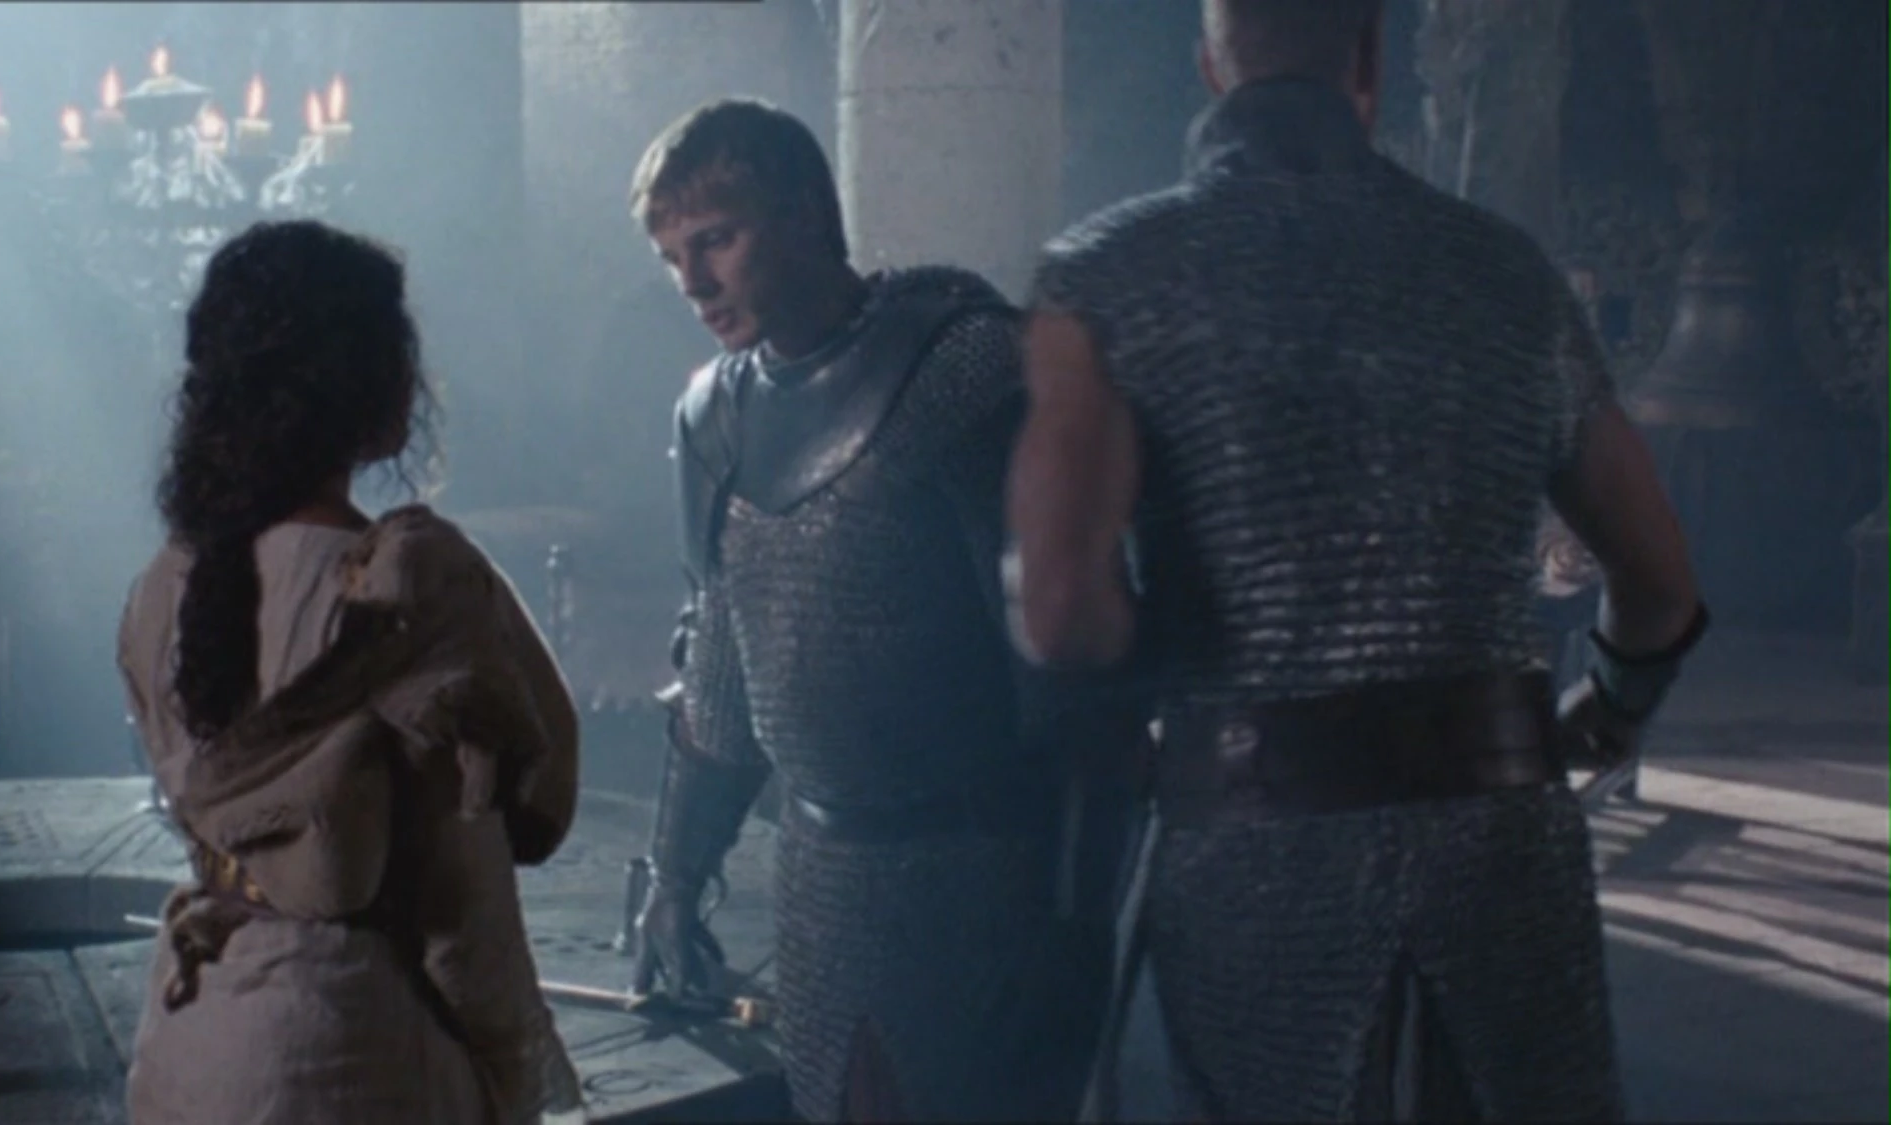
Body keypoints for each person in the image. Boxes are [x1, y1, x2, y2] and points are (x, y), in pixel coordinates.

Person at [1004, 2, 1708, 1120]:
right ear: (1371, 57)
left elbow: (1060, 613)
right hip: (1500, 834)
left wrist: (1159, 690)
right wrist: (1608, 711)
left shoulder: (1108, 276)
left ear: (1209, 67)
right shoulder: (1505, 274)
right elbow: (1659, 584)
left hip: (1253, 838)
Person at [622, 98, 1143, 1122]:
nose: (692, 282)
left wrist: (1075, 920)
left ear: (803, 214)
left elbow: (1072, 688)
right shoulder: (715, 417)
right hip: (824, 882)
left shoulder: (961, 372)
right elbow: (722, 675)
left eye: (715, 240)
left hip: (985, 877)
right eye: (672, 256)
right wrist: (678, 877)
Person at [117, 220, 584, 1125]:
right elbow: (467, 905)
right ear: (364, 379)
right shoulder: (415, 589)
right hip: (351, 1054)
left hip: (189, 1038)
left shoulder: (162, 585)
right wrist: (507, 1075)